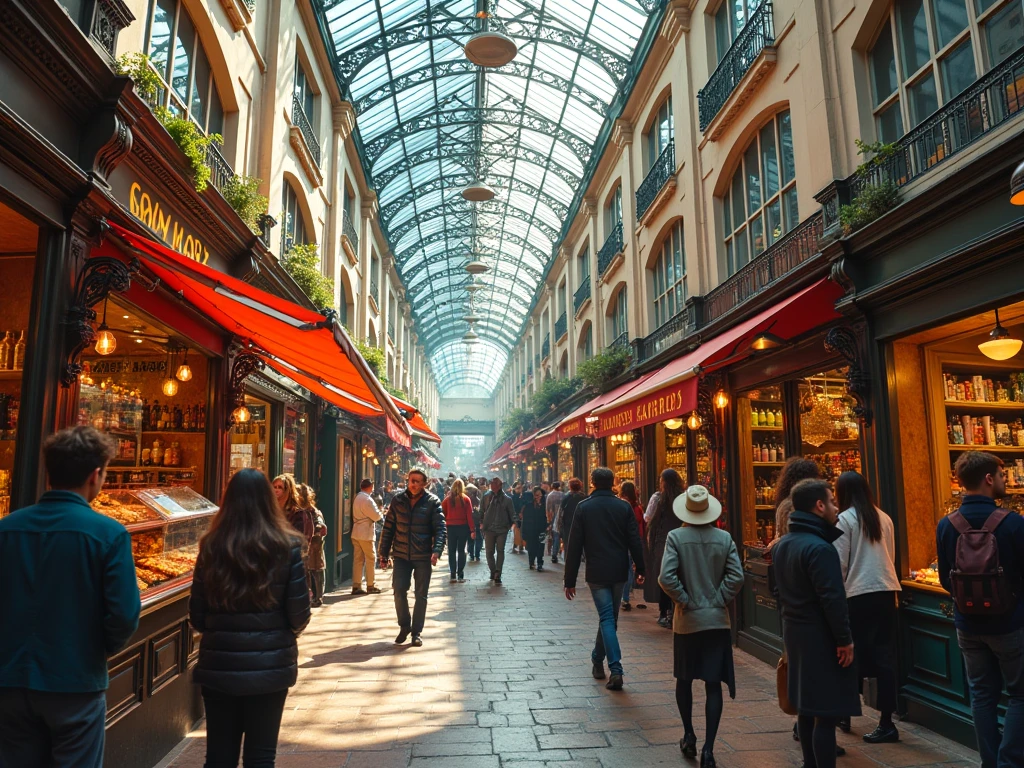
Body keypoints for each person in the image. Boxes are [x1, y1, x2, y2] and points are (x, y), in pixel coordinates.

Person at [0, 427, 140, 768]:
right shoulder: (108, 534)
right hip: (75, 682)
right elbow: (123, 614)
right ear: (95, 476)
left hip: (9, 680)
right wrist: (96, 650)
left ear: (50, 472)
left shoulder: (6, 529)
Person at [189, 469, 311, 768]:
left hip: (220, 666)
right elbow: (299, 615)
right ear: (270, 501)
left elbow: (197, 616)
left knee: (219, 755)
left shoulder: (212, 546)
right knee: (260, 755)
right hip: (270, 668)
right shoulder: (288, 547)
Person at [937, 451, 1024, 768]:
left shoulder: (947, 525)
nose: (1004, 480)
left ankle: (991, 761)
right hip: (1010, 624)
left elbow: (945, 577)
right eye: (1001, 475)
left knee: (982, 695)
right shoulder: (1014, 523)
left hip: (967, 626)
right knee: (1020, 694)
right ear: (989, 479)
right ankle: (1010, 763)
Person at [773, 479, 860, 768]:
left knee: (807, 708)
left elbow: (777, 591)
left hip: (795, 634)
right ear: (819, 506)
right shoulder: (820, 549)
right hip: (820, 638)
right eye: (832, 502)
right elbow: (833, 600)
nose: (837, 507)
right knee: (825, 711)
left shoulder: (783, 544)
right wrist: (844, 639)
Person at [659, 486, 744, 768]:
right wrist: (718, 599)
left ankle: (689, 734)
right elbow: (736, 576)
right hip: (716, 622)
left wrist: (685, 601)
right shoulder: (724, 538)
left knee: (684, 681)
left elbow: (666, 578)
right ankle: (709, 749)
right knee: (712, 685)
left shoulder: (676, 537)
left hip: (687, 622)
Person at [833, 471, 902, 743]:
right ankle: (887, 721)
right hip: (885, 590)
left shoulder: (845, 519)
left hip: (857, 594)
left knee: (850, 655)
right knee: (885, 658)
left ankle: (846, 713)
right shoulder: (883, 517)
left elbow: (840, 562)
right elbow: (891, 555)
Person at [564, 467, 646, 691]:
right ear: (613, 483)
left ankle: (604, 663)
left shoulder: (584, 507)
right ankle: (608, 665)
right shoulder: (623, 507)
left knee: (608, 619)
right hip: (619, 571)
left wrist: (569, 580)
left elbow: (574, 547)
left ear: (592, 482)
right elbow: (634, 540)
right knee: (610, 618)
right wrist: (641, 567)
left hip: (597, 572)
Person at [378, 469, 446, 646]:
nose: (413, 484)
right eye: (411, 480)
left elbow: (440, 529)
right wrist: (383, 553)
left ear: (425, 483)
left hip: (422, 555)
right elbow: (388, 528)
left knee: (421, 595)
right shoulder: (397, 500)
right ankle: (404, 625)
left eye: (417, 481)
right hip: (401, 554)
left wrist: (437, 550)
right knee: (399, 590)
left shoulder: (432, 502)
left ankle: (416, 632)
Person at [645, 468, 685, 627]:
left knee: (665, 575)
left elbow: (648, 517)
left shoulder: (658, 498)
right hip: (681, 539)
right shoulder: (683, 498)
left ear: (663, 482)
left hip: (663, 541)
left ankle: (664, 612)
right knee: (679, 575)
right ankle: (676, 609)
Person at [480, 477, 517, 584]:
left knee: (500, 550)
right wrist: (481, 523)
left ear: (500, 486)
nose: (493, 487)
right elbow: (481, 511)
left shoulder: (507, 499)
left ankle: (498, 573)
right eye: (492, 484)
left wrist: (514, 523)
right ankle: (493, 570)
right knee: (489, 552)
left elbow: (512, 513)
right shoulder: (486, 497)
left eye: (495, 485)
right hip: (489, 528)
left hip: (502, 529)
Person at [352, 479, 383, 595]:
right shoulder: (367, 499)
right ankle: (370, 585)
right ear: (370, 487)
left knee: (358, 559)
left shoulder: (357, 497)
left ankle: (356, 585)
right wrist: (381, 514)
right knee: (370, 558)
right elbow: (376, 516)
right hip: (365, 533)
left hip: (356, 532)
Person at [619, 481, 647, 611]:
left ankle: (624, 597)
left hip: (622, 541)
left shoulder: (621, 506)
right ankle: (625, 596)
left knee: (625, 569)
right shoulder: (637, 508)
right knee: (629, 569)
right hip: (635, 540)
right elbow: (642, 526)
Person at [299, 484, 328, 607]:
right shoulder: (303, 510)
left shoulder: (312, 511)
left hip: (314, 544)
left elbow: (320, 525)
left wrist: (314, 533)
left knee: (316, 570)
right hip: (308, 544)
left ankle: (318, 597)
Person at [274, 473, 313, 565]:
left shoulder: (298, 514)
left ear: (288, 491)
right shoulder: (270, 511)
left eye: (280, 487)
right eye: (274, 487)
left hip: (291, 561)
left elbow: (299, 541)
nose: (276, 490)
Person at [443, 478, 475, 583]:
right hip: (463, 527)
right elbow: (469, 516)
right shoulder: (466, 499)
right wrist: (472, 530)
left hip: (450, 528)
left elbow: (442, 512)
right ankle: (460, 574)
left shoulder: (447, 500)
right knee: (461, 551)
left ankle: (453, 574)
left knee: (451, 551)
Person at [521, 486, 549, 572]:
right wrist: (525, 531)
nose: (538, 498)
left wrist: (547, 526)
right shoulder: (529, 506)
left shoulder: (544, 505)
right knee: (532, 547)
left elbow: (547, 517)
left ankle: (540, 563)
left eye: (540, 496)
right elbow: (525, 519)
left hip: (542, 529)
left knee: (541, 546)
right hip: (531, 530)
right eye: (536, 495)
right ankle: (531, 562)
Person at [559, 478, 586, 552]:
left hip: (568, 524)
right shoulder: (584, 497)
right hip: (581, 524)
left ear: (570, 487)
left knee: (568, 544)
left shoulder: (566, 498)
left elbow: (561, 512)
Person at [546, 481, 565, 564]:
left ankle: (554, 554)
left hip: (553, 517)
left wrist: (549, 520)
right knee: (563, 536)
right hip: (562, 516)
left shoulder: (550, 496)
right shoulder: (563, 495)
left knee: (555, 537)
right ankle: (563, 553)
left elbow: (547, 509)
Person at [467, 479, 484, 562]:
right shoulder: (477, 500)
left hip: (469, 521)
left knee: (470, 538)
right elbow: (481, 511)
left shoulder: (467, 500)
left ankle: (471, 554)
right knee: (479, 538)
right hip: (476, 521)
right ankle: (477, 554)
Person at [511, 481, 529, 554]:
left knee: (520, 530)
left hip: (522, 516)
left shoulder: (523, 496)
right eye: (518, 488)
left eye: (520, 488)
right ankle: (516, 545)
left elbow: (524, 504)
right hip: (516, 515)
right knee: (517, 530)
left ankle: (520, 545)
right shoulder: (513, 497)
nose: (519, 490)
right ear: (514, 489)